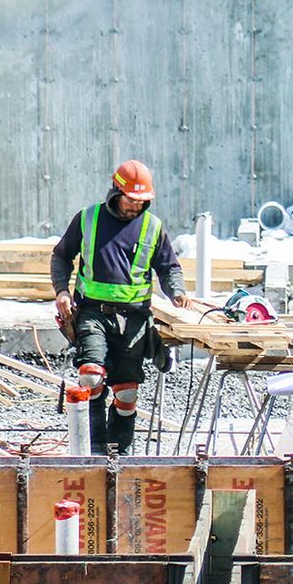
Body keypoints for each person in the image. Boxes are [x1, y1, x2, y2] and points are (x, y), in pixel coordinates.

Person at [51, 159, 187, 455]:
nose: (135, 206)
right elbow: (61, 256)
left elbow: (169, 267)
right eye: (131, 199)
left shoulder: (153, 227)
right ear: (116, 192)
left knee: (126, 391)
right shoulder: (88, 219)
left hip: (135, 319)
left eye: (142, 202)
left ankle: (119, 449)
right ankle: (95, 445)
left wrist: (177, 293)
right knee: (90, 376)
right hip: (92, 313)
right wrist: (62, 291)